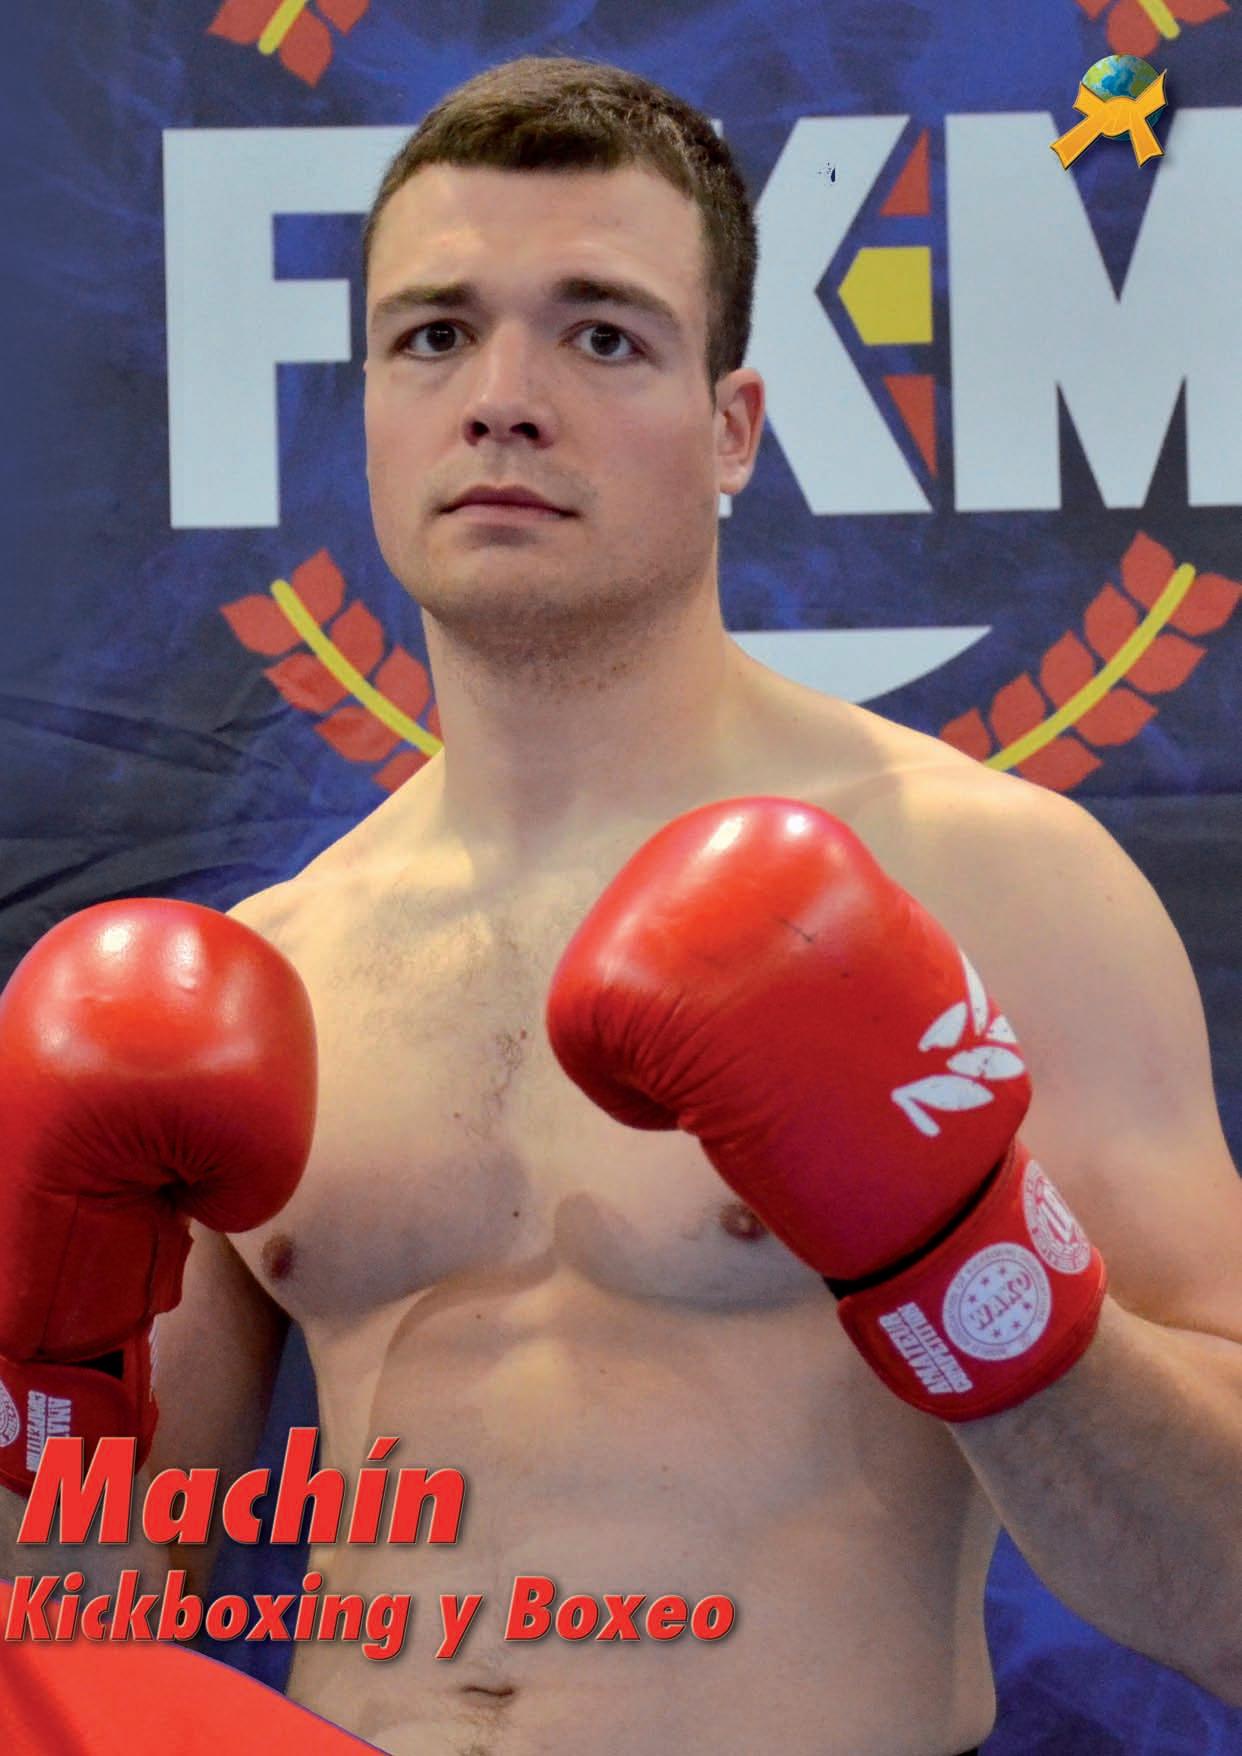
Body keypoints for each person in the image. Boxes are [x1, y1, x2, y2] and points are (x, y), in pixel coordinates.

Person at [3, 52, 1241, 1756]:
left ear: (731, 426)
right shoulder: (273, 969)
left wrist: (968, 1263)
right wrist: (42, 1389)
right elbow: (89, 1639)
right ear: (365, 405)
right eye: (434, 335)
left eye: (600, 335)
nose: (501, 398)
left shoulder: (987, 879)